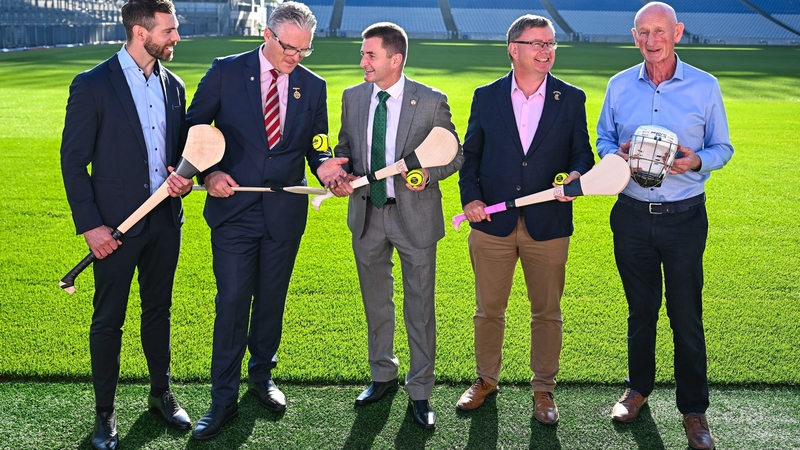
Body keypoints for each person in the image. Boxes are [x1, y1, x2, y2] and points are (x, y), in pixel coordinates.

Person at [186, 1, 343, 440]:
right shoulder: (226, 70)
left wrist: (326, 166)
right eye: (290, 48)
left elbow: (318, 143)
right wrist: (209, 172)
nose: (296, 58)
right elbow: (194, 127)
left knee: (272, 299)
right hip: (233, 210)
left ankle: (261, 377)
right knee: (233, 299)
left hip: (283, 213)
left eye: (304, 51)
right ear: (268, 36)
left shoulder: (313, 86)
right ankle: (222, 398)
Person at [596, 3, 734, 449]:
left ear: (677, 32)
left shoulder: (704, 86)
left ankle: (694, 410)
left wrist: (698, 160)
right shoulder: (619, 86)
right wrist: (612, 154)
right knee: (641, 311)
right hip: (632, 216)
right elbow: (601, 137)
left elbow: (723, 147)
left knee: (686, 315)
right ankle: (638, 389)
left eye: (659, 31)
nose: (651, 40)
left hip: (684, 218)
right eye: (642, 33)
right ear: (634, 36)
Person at [60, 0, 193, 448]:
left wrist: (184, 180)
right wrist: (91, 227)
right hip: (113, 231)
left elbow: (178, 156)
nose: (176, 37)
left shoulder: (174, 86)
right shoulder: (93, 84)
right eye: (169, 30)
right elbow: (73, 163)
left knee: (159, 312)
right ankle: (105, 414)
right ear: (141, 31)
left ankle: (161, 395)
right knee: (108, 320)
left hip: (164, 225)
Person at [456, 15, 594, 425]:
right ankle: (485, 380)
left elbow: (582, 155)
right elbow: (471, 156)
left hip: (548, 224)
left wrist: (576, 175)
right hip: (492, 224)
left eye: (551, 43)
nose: (546, 50)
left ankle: (544, 389)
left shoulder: (571, 98)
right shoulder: (487, 96)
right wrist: (471, 198)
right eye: (537, 43)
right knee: (488, 310)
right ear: (513, 48)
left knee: (547, 311)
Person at [327, 22, 463, 429]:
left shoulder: (432, 100)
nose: (362, 61)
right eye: (363, 54)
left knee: (419, 308)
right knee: (376, 303)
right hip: (366, 215)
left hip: (415, 218)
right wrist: (340, 168)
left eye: (370, 55)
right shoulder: (352, 97)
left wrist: (426, 174)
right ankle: (382, 374)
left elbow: (453, 155)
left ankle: (420, 390)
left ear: (395, 59)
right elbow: (346, 147)